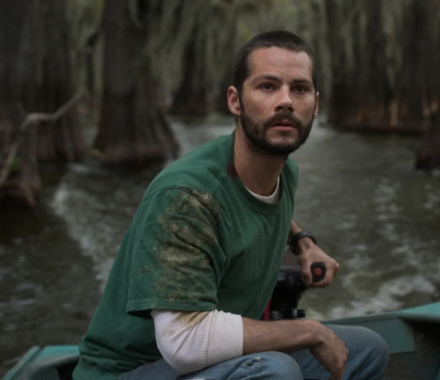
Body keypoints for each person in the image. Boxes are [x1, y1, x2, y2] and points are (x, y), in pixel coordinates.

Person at [72, 30, 388, 380]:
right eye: (268, 86)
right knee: (275, 371)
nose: (285, 100)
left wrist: (304, 242)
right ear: (235, 101)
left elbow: (260, 206)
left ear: (316, 104)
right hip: (131, 371)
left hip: (211, 362)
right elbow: (185, 343)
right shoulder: (186, 197)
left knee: (367, 349)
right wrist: (309, 331)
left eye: (298, 89)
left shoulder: (284, 172)